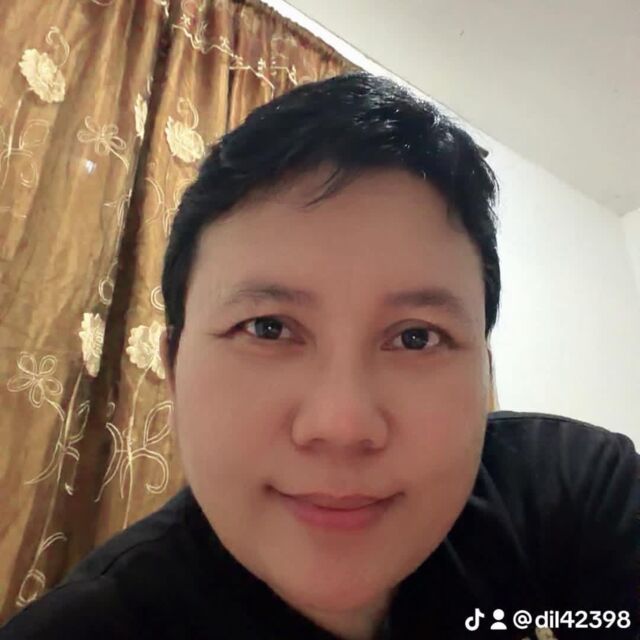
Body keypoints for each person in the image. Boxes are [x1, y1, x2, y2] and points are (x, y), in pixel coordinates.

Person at [1, 72, 638, 640]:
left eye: (416, 337)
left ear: (485, 374)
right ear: (172, 369)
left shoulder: (576, 492)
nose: (342, 425)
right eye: (268, 328)